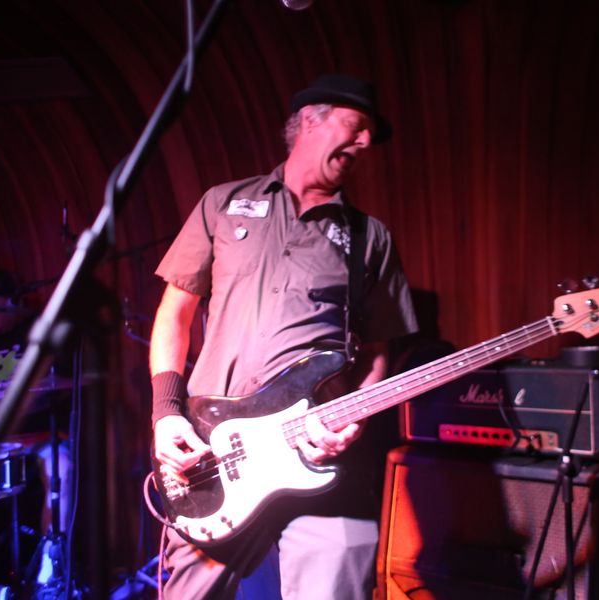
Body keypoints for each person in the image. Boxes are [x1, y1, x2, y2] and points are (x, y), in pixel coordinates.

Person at [150, 73, 417, 599]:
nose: (365, 142)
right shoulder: (223, 204)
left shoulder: (370, 237)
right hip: (215, 449)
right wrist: (165, 413)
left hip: (320, 452)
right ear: (310, 120)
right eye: (357, 126)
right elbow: (174, 314)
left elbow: (377, 352)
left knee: (341, 570)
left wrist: (355, 419)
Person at [0, 269, 72, 535]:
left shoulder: (37, 332)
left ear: (12, 302)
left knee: (62, 469)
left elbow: (60, 383)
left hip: (38, 435)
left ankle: (50, 556)